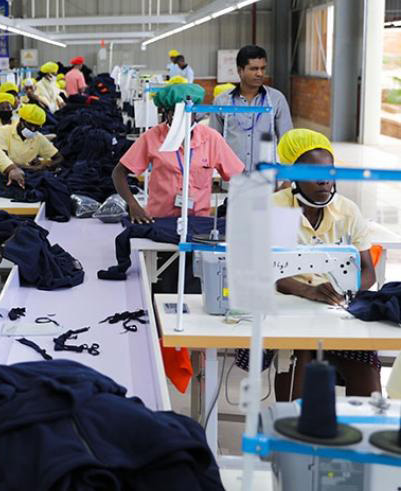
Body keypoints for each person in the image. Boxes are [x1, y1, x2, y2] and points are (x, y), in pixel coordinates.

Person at [238, 129, 380, 400]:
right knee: (301, 351)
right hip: (288, 305)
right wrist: (308, 291)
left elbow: (367, 272)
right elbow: (269, 271)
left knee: (366, 367)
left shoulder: (347, 211)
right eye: (313, 173)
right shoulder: (278, 209)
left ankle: (362, 423)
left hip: (337, 306)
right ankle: (293, 420)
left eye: (329, 172)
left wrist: (346, 291)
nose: (323, 181)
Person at [111, 83, 244, 223]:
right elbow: (118, 173)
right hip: (159, 219)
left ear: (194, 112)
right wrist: (133, 205)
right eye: (175, 113)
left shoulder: (211, 139)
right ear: (166, 113)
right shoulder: (151, 138)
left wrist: (232, 205)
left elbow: (240, 176)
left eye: (187, 112)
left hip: (198, 221)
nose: (182, 118)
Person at [210, 45, 293, 171]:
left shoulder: (277, 100)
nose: (260, 73)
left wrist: (287, 175)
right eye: (254, 69)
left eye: (263, 68)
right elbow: (213, 143)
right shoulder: (222, 101)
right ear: (240, 70)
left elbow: (287, 141)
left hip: (265, 176)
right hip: (231, 177)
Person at [0, 104, 62, 169]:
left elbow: (59, 158)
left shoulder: (38, 138)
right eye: (30, 125)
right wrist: (31, 168)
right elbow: (3, 160)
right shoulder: (4, 131)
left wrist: (46, 165)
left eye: (36, 127)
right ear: (21, 120)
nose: (32, 129)